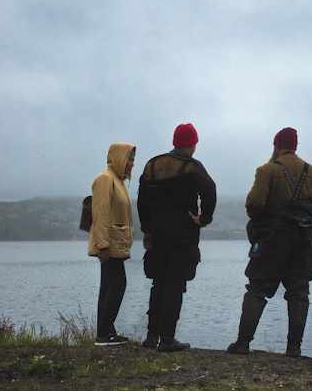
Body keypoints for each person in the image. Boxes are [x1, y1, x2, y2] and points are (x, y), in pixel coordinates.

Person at [227, 127, 312, 357]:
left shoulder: (266, 170)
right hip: (304, 240)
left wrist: (268, 215)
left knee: (257, 289)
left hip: (272, 240)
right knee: (299, 292)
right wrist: (307, 214)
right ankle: (294, 348)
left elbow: (254, 204)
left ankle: (243, 344)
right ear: (295, 146)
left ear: (276, 146)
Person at [137, 123, 217, 352]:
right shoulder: (192, 166)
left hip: (158, 232)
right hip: (183, 233)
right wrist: (204, 219)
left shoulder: (152, 164)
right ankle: (168, 339)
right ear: (192, 145)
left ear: (174, 142)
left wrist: (147, 229)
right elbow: (210, 190)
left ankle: (151, 336)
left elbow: (142, 200)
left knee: (158, 283)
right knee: (175, 284)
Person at [88, 142, 137, 346]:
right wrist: (103, 245)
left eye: (133, 159)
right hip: (109, 245)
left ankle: (105, 331)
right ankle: (104, 334)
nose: (132, 164)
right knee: (117, 285)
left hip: (115, 243)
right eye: (129, 159)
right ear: (119, 158)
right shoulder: (105, 179)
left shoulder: (119, 182)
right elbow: (100, 213)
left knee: (108, 286)